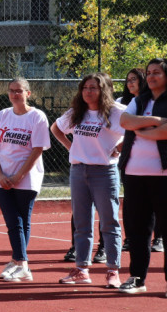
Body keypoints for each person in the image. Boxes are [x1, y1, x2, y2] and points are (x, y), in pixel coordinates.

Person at [50, 73, 124, 288]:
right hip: (78, 171)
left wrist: (119, 147)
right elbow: (55, 128)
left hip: (104, 172)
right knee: (82, 224)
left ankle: (113, 270)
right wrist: (70, 147)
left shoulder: (116, 112)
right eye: (85, 88)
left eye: (94, 88)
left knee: (109, 222)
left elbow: (135, 130)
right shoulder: (77, 112)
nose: (88, 91)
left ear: (104, 91)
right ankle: (82, 269)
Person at [0, 77, 51, 283]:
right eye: (12, 90)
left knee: (22, 220)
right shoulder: (2, 115)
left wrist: (19, 176)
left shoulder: (37, 117)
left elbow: (37, 149)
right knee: (13, 220)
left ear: (28, 94)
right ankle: (19, 263)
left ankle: (19, 263)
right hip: (2, 177)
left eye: (20, 91)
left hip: (27, 177)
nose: (15, 94)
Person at [117, 58, 167, 293]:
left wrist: (139, 128)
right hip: (133, 174)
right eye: (148, 73)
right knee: (137, 229)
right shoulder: (140, 100)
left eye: (156, 72)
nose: (151, 76)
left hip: (163, 175)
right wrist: (154, 122)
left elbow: (164, 134)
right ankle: (137, 278)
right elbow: (124, 121)